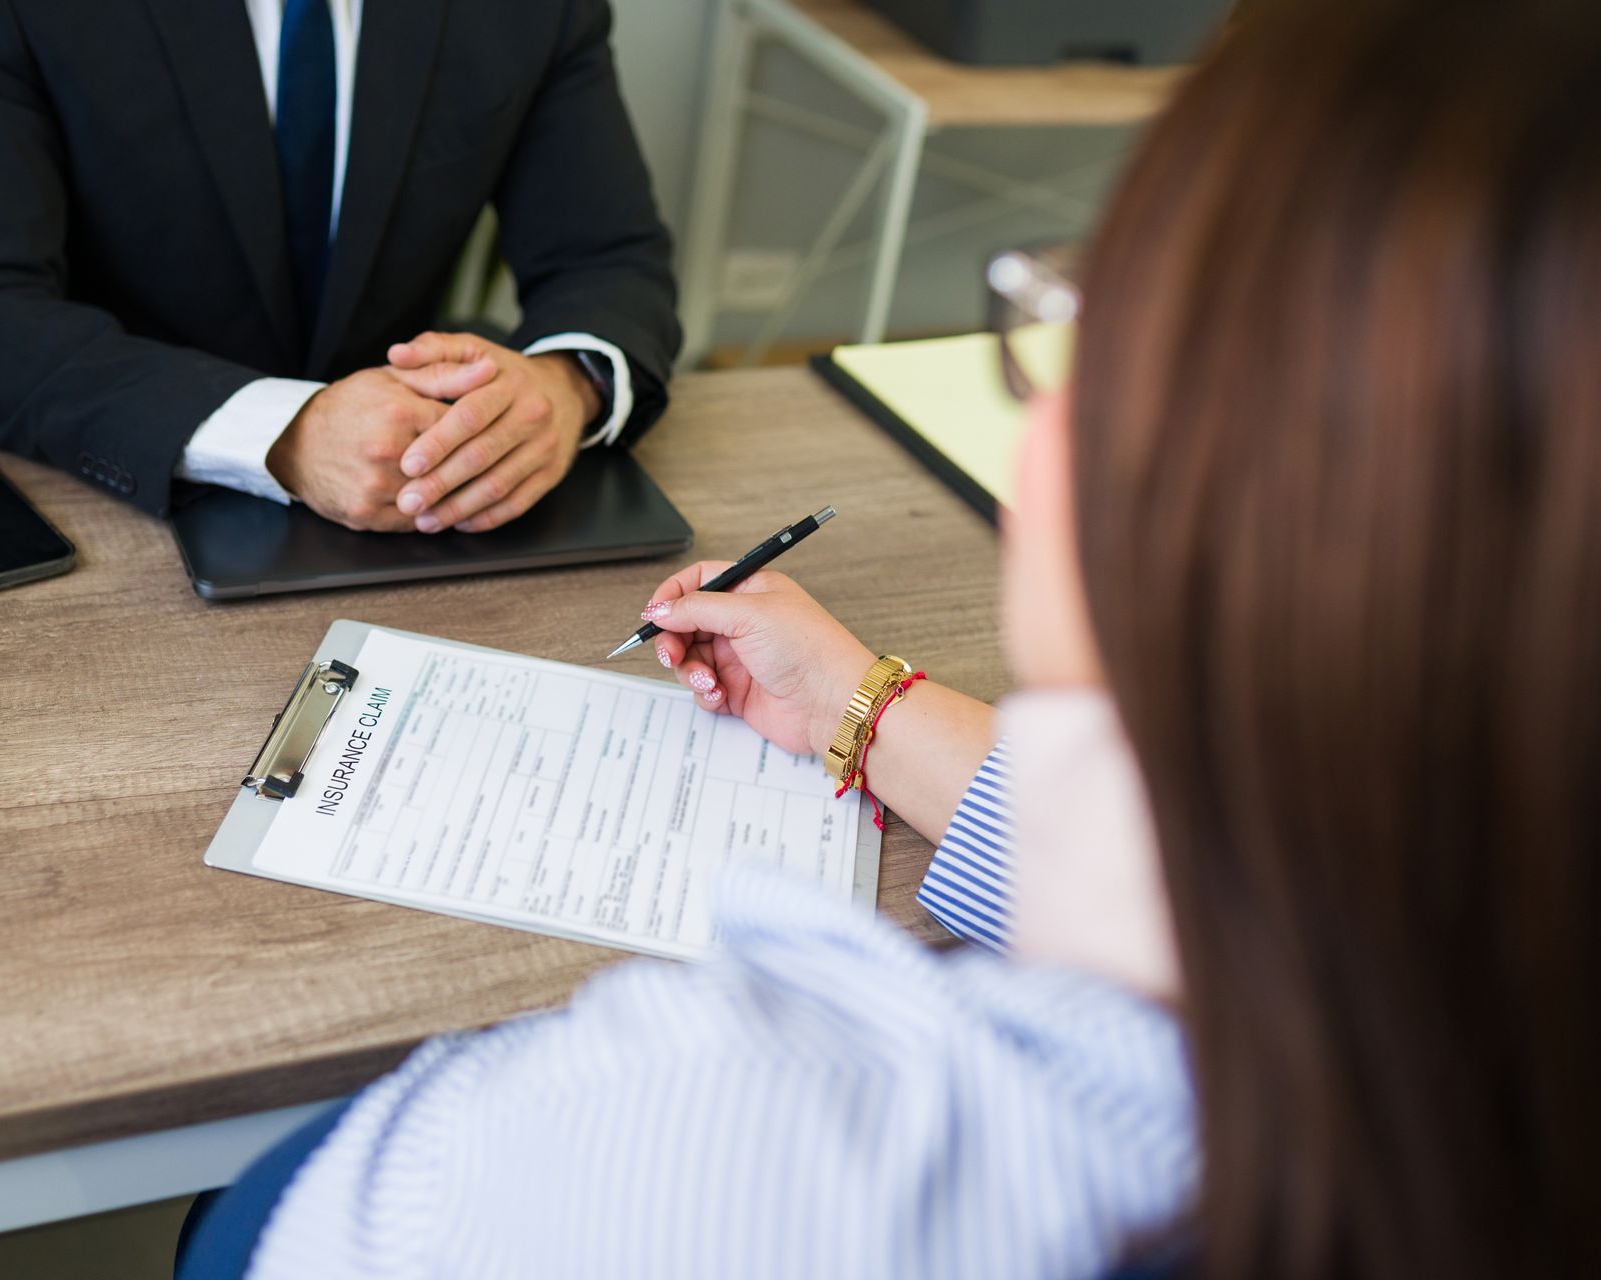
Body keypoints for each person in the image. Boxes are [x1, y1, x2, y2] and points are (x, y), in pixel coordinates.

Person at [178, 0, 1600, 1275]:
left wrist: (568, 382)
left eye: (1085, 322)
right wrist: (862, 703)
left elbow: (262, 1237)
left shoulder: (679, 1141)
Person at [0, 0, 679, 535]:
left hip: (415, 516)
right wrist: (286, 433)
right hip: (112, 501)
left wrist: (565, 386)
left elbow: (606, 256)